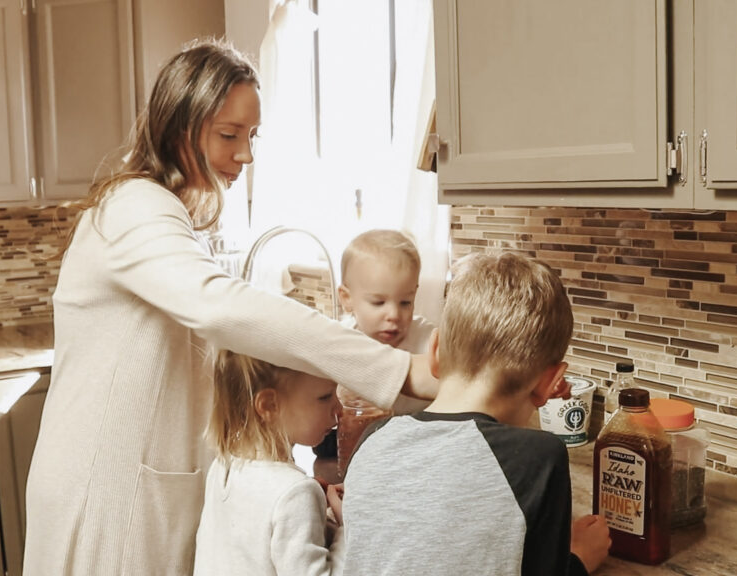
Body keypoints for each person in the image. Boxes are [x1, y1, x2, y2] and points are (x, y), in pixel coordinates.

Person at [22, 39, 440, 575]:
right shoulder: (134, 208)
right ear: (179, 127)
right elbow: (221, 308)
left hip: (140, 488)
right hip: (106, 490)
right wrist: (400, 370)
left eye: (251, 135)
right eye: (229, 134)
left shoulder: (168, 215)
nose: (245, 154)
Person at [341, 252, 611, 576]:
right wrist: (579, 558)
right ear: (549, 383)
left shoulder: (373, 440)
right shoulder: (539, 458)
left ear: (435, 352)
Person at [194, 350, 346, 575]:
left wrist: (317, 518)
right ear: (269, 405)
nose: (340, 410)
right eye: (324, 397)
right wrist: (347, 528)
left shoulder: (223, 465)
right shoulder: (295, 492)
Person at [338, 229, 436, 414]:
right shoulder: (339, 341)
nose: (394, 314)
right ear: (346, 298)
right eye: (378, 302)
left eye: (405, 302)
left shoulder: (427, 340)